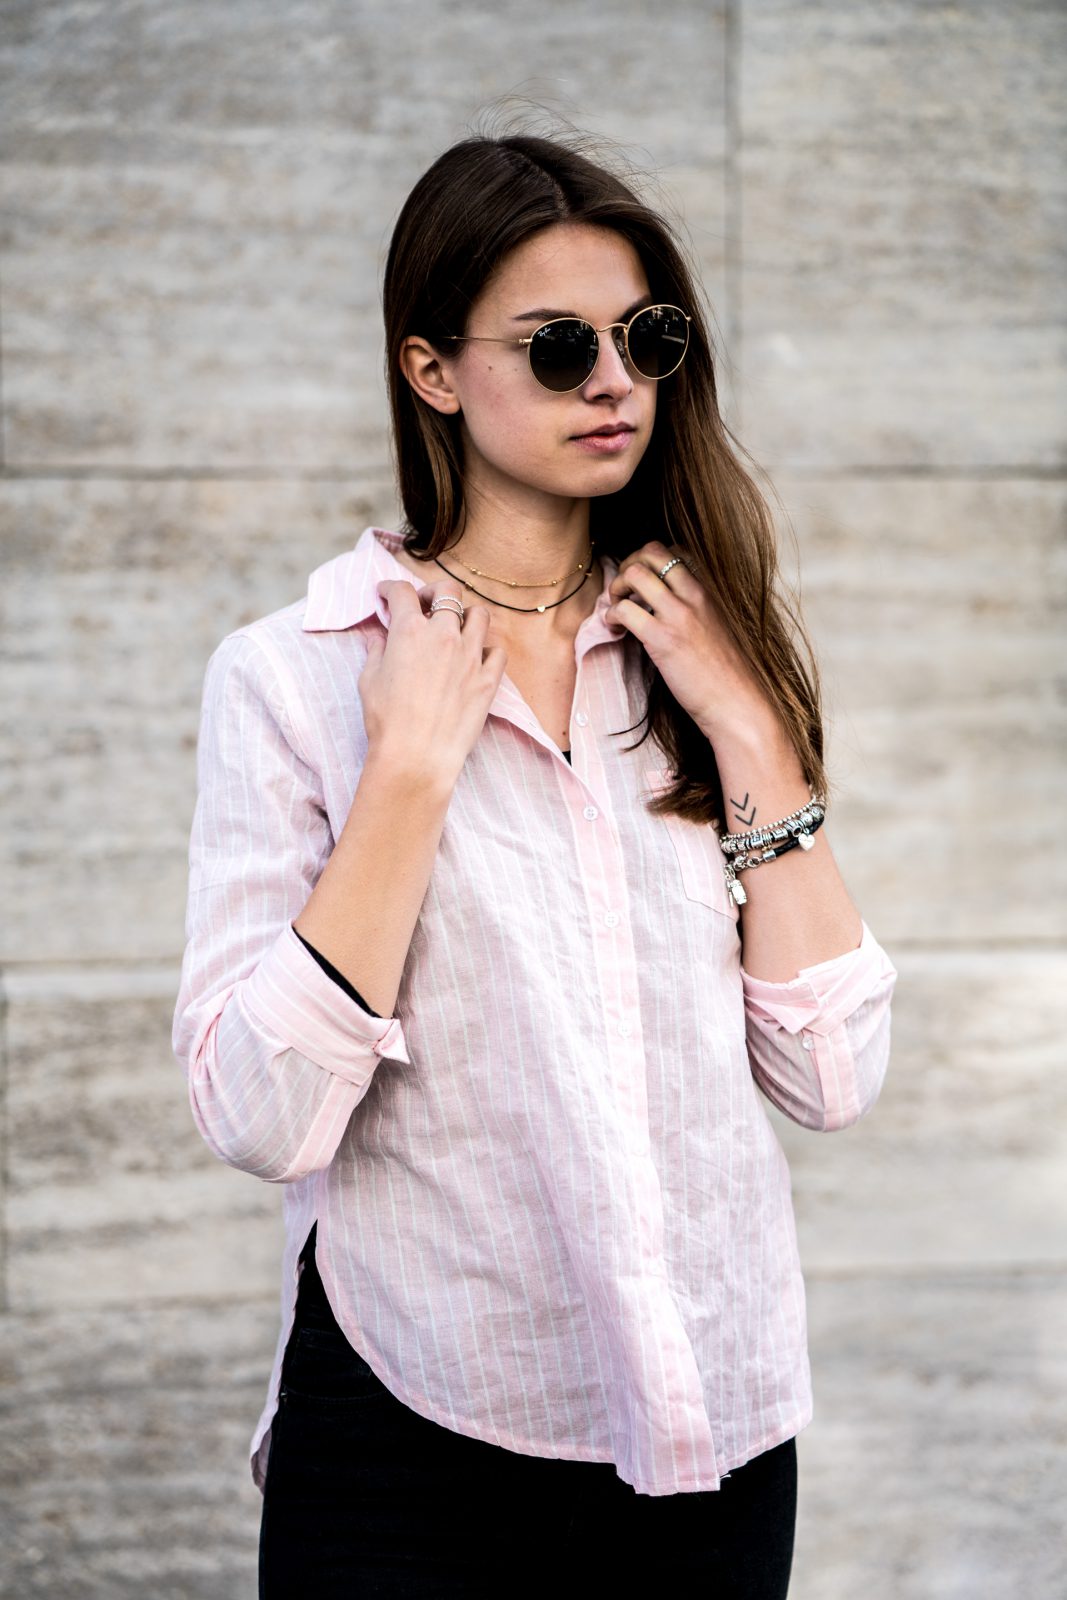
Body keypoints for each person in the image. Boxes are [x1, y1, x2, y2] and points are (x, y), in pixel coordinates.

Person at [172, 126, 898, 1598]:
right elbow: (259, 1114)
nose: (615, 380)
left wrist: (753, 735)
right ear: (432, 370)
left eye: (649, 338)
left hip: (717, 1420)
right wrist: (413, 773)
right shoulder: (296, 677)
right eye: (559, 346)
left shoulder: (696, 655)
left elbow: (834, 1080)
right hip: (414, 1426)